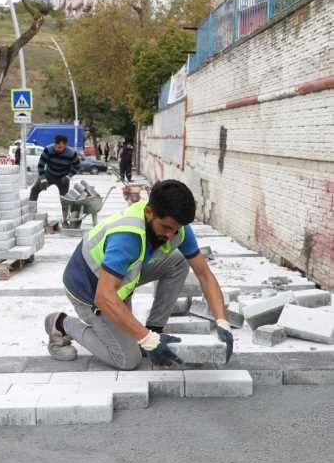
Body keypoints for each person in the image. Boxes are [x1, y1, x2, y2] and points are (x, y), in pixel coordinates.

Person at [44, 180, 233, 369]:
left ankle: (154, 329)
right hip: (88, 290)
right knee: (127, 359)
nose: (171, 234)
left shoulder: (176, 228)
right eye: (166, 227)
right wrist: (146, 340)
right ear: (149, 212)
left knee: (179, 261)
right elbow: (104, 296)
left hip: (117, 278)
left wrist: (222, 321)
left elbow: (204, 274)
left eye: (176, 229)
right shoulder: (127, 237)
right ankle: (61, 323)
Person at [28, 135, 80, 227]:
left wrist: (68, 177)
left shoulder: (72, 153)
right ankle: (31, 215)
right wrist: (43, 179)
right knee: (34, 190)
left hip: (63, 178)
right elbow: (41, 165)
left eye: (60, 147)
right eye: (56, 146)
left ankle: (65, 221)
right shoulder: (48, 149)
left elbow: (77, 167)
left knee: (65, 199)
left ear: (65, 145)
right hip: (49, 174)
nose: (57, 148)